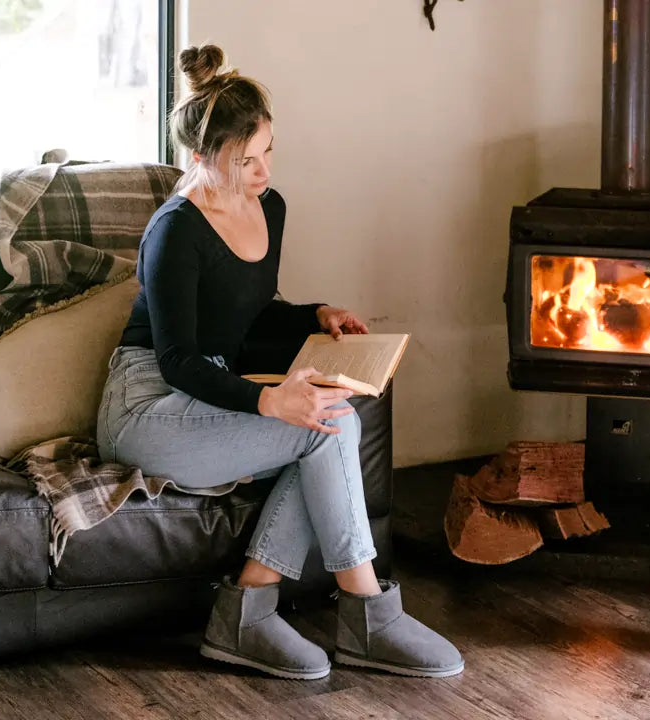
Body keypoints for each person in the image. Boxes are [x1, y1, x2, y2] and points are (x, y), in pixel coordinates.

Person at [96, 42, 464, 680]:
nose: (264, 171)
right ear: (202, 157)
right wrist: (269, 400)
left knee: (329, 418)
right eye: (246, 160)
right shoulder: (175, 231)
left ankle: (251, 611)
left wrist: (315, 314)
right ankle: (365, 612)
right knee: (325, 428)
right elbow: (179, 358)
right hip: (147, 406)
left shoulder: (270, 206)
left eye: (268, 150)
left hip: (209, 388)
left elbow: (252, 313)